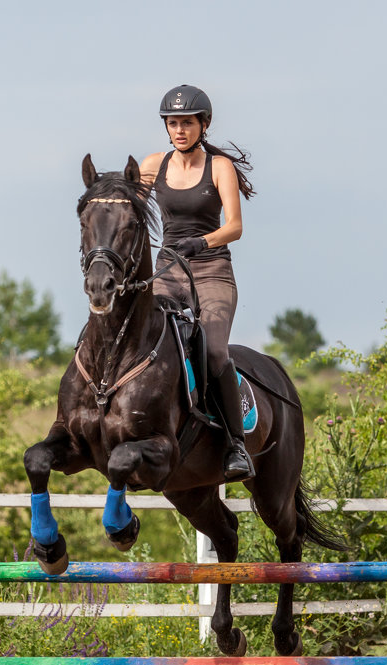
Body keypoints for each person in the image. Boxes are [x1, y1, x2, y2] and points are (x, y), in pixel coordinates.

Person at [138, 84, 257, 482]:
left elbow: (235, 227)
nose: (179, 130)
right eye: (173, 123)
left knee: (216, 351)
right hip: (167, 272)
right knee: (144, 341)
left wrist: (199, 242)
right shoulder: (153, 165)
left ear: (203, 124)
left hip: (211, 271)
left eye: (186, 123)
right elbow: (129, 208)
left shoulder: (219, 168)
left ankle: (236, 445)